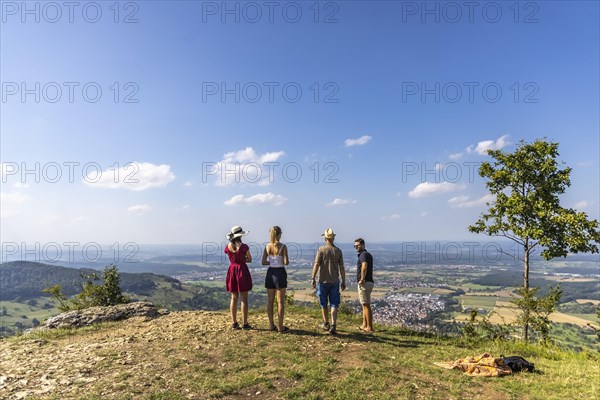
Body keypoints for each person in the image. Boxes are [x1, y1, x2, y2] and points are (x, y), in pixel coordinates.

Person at [311, 228, 346, 334]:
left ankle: (326, 323)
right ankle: (334, 324)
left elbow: (316, 264)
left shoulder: (321, 250)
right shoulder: (338, 251)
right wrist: (343, 280)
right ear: (333, 238)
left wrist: (313, 278)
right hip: (335, 281)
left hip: (323, 281)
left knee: (324, 303)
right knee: (334, 303)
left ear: (325, 238)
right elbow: (342, 267)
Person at [261, 226, 290, 333]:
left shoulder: (267, 246)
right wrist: (280, 260)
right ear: (279, 234)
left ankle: (271, 325)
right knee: (280, 302)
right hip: (280, 273)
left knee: (270, 301)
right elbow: (286, 262)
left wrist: (272, 262)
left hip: (270, 273)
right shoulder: (283, 247)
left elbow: (263, 262)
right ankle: (281, 327)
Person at [225, 226, 253, 330]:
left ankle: (234, 322)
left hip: (232, 270)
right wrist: (243, 259)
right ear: (241, 235)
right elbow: (249, 259)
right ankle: (245, 323)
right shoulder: (244, 246)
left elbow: (231, 256)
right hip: (242, 271)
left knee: (234, 297)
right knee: (244, 299)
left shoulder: (228, 246)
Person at [354, 238, 374, 333]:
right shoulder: (367, 254)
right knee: (364, 304)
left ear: (363, 245)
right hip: (368, 282)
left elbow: (364, 266)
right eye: (355, 246)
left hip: (365, 283)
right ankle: (364, 325)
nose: (356, 247)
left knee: (366, 305)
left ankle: (369, 327)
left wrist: (362, 279)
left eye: (358, 245)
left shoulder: (363, 255)